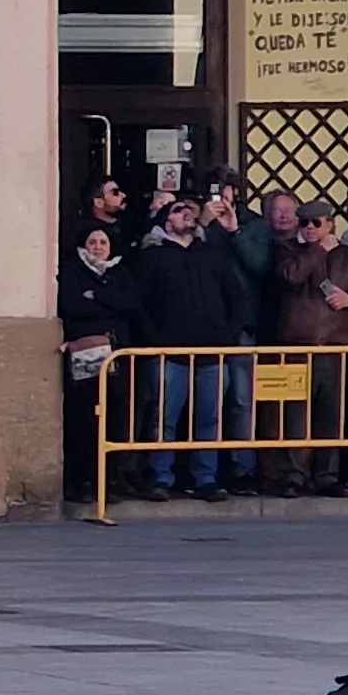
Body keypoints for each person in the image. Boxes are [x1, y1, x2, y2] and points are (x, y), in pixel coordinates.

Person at [119, 197, 255, 502]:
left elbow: (237, 297)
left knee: (209, 418)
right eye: (180, 211)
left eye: (191, 211)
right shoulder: (152, 258)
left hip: (212, 351)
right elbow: (137, 304)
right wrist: (153, 340)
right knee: (163, 418)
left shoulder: (211, 255)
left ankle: (205, 478)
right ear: (167, 221)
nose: (188, 215)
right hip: (169, 353)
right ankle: (160, 476)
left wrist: (229, 336)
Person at [270, 201, 348, 498]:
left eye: (316, 223)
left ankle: (327, 475)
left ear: (330, 225)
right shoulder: (287, 250)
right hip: (297, 344)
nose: (310, 229)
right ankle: (294, 475)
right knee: (295, 415)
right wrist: (317, 251)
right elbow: (291, 277)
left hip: (334, 344)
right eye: (305, 224)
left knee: (330, 414)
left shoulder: (346, 255)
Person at [58, 222, 128, 505]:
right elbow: (70, 305)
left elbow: (131, 302)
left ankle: (108, 480)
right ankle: (82, 480)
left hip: (117, 356)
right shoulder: (73, 272)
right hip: (84, 356)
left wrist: (97, 295)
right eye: (92, 242)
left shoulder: (120, 272)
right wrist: (107, 305)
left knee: (114, 418)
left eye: (103, 243)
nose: (98, 247)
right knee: (83, 420)